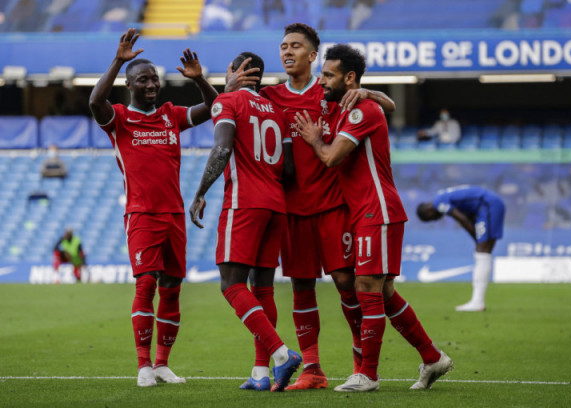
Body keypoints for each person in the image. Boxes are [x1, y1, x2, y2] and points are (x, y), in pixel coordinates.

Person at [225, 22, 397, 390]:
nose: (287, 51)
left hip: (334, 205)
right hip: (291, 208)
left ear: (313, 55)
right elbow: (228, 111)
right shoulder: (269, 97)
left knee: (346, 283)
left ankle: (361, 364)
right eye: (283, 46)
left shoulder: (329, 90)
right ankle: (313, 369)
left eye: (296, 46)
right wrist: (224, 88)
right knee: (301, 286)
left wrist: (367, 91)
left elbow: (387, 105)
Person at [295, 43, 452, 392]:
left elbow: (332, 158)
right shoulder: (348, 107)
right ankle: (432, 357)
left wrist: (315, 140)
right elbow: (387, 103)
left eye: (329, 75)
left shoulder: (359, 111)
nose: (322, 81)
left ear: (349, 78)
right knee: (385, 292)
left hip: (376, 209)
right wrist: (371, 93)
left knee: (366, 288)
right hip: (365, 211)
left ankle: (367, 374)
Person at [89, 28, 218, 387]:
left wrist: (199, 79)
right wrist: (118, 61)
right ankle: (143, 365)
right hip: (142, 214)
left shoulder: (170, 115)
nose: (151, 85)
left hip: (174, 215)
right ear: (129, 85)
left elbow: (214, 109)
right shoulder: (118, 119)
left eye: (155, 80)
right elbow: (95, 102)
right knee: (146, 283)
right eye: (143, 80)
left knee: (172, 287)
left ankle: (162, 364)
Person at [189, 52, 302, 392]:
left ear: (234, 72)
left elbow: (222, 149)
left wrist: (200, 192)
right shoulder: (278, 112)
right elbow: (289, 170)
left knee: (231, 285)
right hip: (275, 205)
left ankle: (281, 354)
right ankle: (260, 373)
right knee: (262, 288)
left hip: (244, 202)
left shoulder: (227, 102)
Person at [417, 185, 506, 312]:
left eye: (433, 218)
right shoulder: (441, 195)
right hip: (489, 204)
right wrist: (477, 238)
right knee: (483, 254)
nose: (436, 219)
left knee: (482, 253)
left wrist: (476, 237)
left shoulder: (438, 203)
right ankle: (477, 301)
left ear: (428, 212)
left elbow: (462, 219)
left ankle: (477, 302)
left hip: (487, 205)